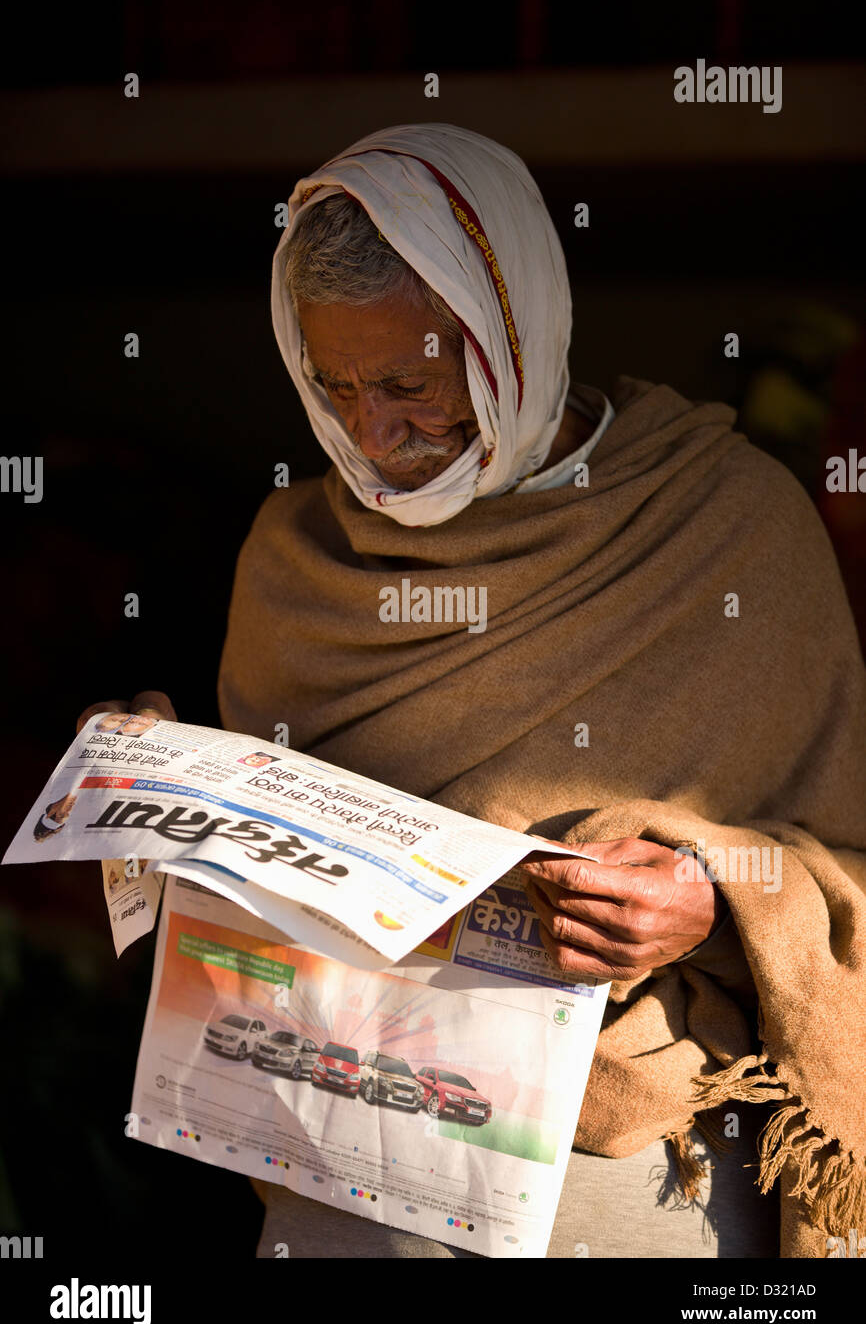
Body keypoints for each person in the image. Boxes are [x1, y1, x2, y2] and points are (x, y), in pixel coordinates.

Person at [80, 124, 866, 1260]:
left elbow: (847, 863)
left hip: (622, 1170)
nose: (372, 434)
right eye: (332, 383)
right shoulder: (293, 558)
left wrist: (714, 902)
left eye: (407, 381)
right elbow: (268, 876)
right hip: (330, 1155)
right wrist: (153, 781)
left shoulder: (729, 528)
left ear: (516, 331)